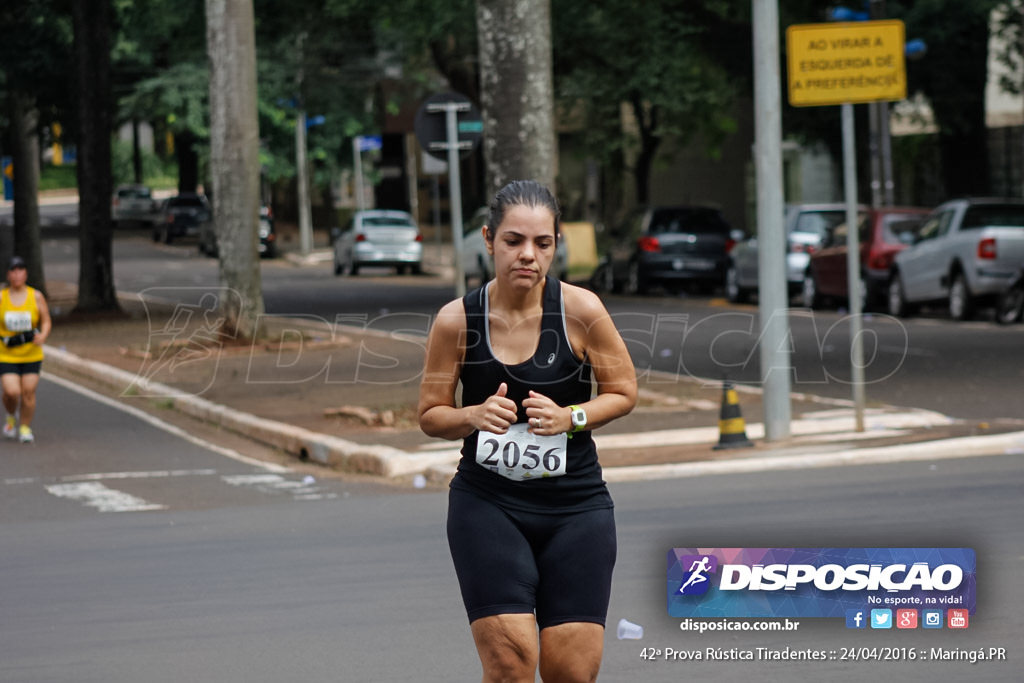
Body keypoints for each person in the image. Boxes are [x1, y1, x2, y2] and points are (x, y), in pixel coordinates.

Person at [419, 180, 637, 682]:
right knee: (511, 663)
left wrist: (571, 417)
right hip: (488, 505)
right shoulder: (457, 321)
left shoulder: (581, 310)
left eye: (542, 243)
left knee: (571, 672)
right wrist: (471, 415)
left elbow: (624, 391)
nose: (528, 255)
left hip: (576, 508)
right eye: (514, 241)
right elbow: (430, 414)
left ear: (556, 245)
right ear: (489, 239)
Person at [1, 256, 51, 443]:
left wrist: (43, 335)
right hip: (7, 354)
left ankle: (24, 427)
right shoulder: (1, 297)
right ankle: (11, 415)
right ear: (8, 274)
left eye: (20, 270)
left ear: (26, 273)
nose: (17, 274)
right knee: (12, 392)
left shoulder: (36, 296)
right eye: (13, 271)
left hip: (31, 354)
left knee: (28, 392)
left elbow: (46, 320)